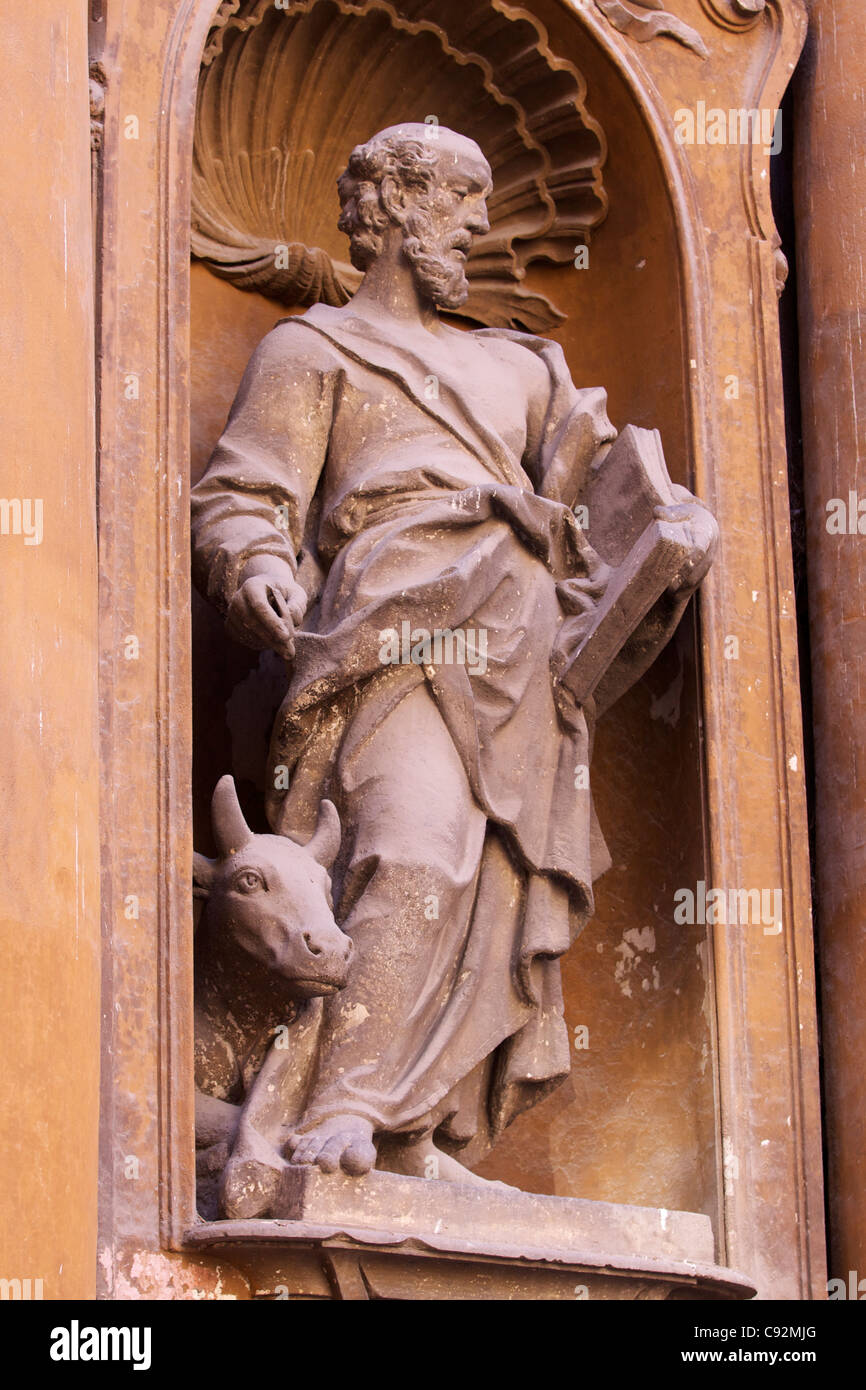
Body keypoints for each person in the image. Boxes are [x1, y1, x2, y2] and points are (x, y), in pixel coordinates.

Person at [191, 123, 717, 1186]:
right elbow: (246, 492)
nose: (479, 225)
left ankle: (408, 1131)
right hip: (391, 621)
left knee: (494, 882)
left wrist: (669, 531)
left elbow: (607, 492)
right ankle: (338, 1111)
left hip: (522, 644)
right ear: (385, 206)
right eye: (458, 199)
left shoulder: (521, 366)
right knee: (410, 847)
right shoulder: (312, 350)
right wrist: (254, 563)